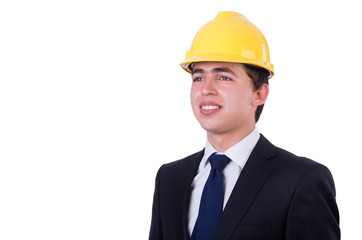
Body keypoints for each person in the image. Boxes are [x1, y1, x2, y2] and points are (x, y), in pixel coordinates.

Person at [149, 11, 340, 240]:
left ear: (259, 93)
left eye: (223, 77)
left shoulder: (300, 180)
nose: (206, 89)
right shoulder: (170, 179)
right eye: (198, 78)